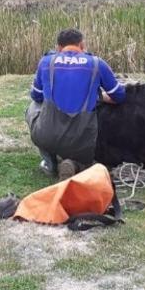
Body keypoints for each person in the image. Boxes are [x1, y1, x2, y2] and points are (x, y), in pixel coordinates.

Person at [26, 28, 126, 180]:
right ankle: (78, 163)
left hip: (48, 136)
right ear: (82, 45)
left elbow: (36, 96)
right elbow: (119, 96)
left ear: (58, 47)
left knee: (32, 107)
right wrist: (98, 96)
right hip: (84, 139)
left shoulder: (46, 62)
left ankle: (49, 162)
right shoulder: (97, 64)